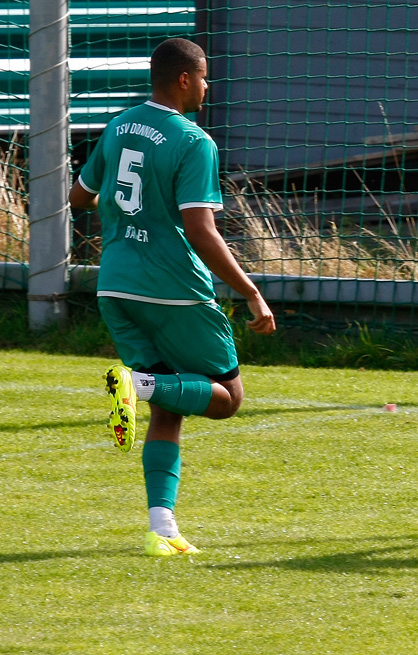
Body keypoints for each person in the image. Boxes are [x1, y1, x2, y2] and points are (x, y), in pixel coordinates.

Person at [68, 38, 276, 557]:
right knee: (227, 399)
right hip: (175, 291)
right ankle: (133, 385)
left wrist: (119, 213)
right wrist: (251, 291)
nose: (208, 86)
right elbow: (201, 230)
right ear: (185, 79)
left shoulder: (118, 125)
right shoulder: (194, 141)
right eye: (205, 77)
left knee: (170, 400)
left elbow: (79, 196)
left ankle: (162, 529)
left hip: (115, 283)